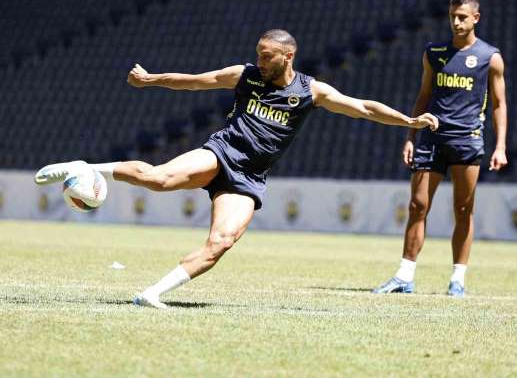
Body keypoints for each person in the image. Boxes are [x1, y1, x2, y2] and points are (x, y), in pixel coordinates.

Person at [35, 29, 438, 309]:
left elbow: (364, 107)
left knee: (221, 242)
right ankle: (86, 166)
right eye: (258, 53)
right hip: (221, 153)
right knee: (159, 178)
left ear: (288, 55)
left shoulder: (310, 91)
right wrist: (150, 79)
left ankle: (152, 293)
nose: (260, 60)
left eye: (267, 56)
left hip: (250, 178)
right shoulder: (244, 75)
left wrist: (409, 122)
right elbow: (194, 81)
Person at [373, 0, 507, 297]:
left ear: (476, 18)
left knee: (463, 209)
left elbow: (500, 104)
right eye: (453, 16)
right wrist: (410, 134)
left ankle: (458, 279)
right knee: (417, 205)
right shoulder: (433, 53)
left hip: (467, 140)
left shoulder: (490, 57)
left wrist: (500, 146)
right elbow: (423, 96)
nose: (456, 21)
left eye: (462, 16)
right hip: (431, 137)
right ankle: (404, 276)